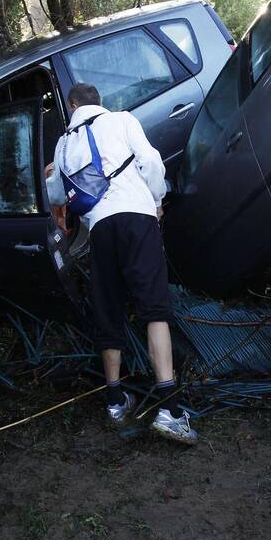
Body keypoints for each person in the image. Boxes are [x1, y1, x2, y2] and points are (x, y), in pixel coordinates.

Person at [46, 83, 197, 445]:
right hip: (136, 217)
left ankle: (114, 400)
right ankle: (169, 409)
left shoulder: (64, 143)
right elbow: (151, 162)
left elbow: (56, 194)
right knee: (154, 308)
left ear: (72, 106)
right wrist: (158, 200)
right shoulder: (122, 120)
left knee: (108, 306)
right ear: (100, 102)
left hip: (100, 229)